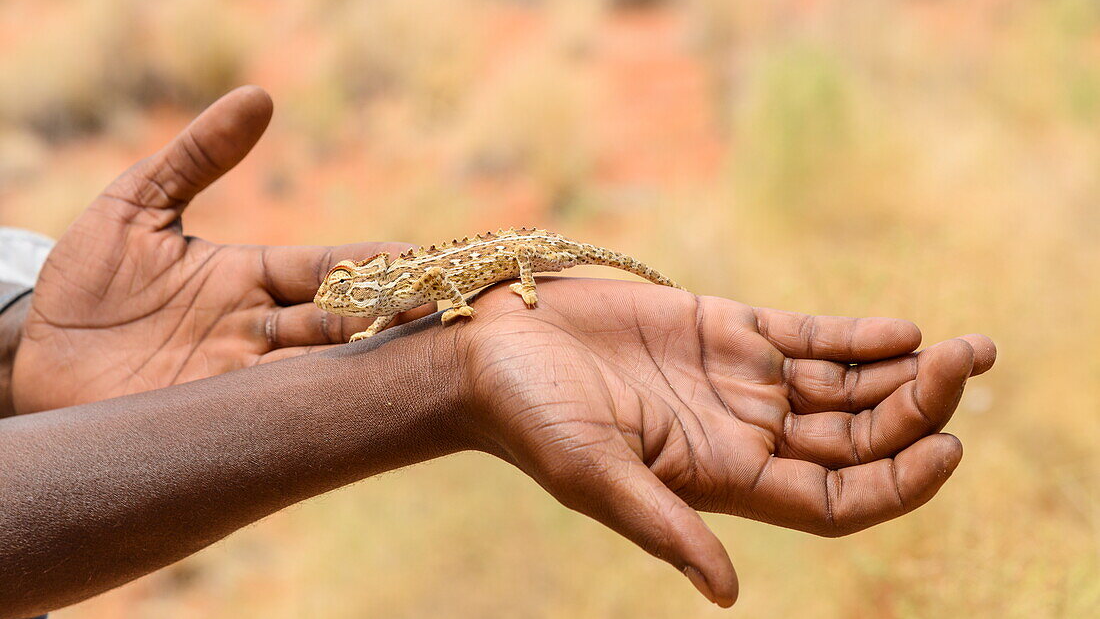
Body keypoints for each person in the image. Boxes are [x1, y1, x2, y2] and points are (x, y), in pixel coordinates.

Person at [0, 87, 997, 616]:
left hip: (508, 265)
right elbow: (401, 321)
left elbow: (450, 288)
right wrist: (430, 375)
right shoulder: (391, 310)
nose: (347, 304)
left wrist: (22, 341)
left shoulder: (420, 293)